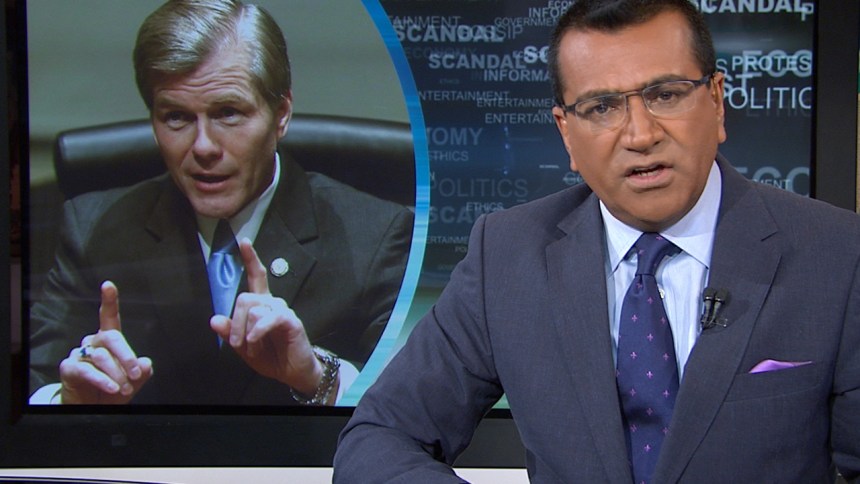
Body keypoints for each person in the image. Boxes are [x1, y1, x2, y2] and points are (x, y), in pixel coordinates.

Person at [334, 0, 860, 481]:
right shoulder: (507, 257)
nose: (640, 134)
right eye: (602, 107)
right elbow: (379, 438)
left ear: (717, 102)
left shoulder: (838, 255)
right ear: (566, 132)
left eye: (666, 95)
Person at [28, 0, 413, 406]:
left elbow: (414, 406)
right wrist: (68, 401)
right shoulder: (94, 228)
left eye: (228, 113)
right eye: (176, 117)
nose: (204, 147)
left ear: (281, 113)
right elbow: (31, 388)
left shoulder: (376, 236)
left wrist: (319, 379)